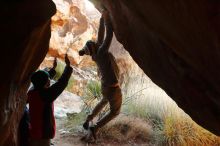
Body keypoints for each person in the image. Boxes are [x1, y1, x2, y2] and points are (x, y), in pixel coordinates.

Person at [79, 10, 122, 140]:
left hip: (105, 87)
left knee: (104, 101)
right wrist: (108, 20)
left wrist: (102, 18)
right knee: (115, 111)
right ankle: (95, 127)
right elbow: (107, 36)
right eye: (93, 42)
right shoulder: (102, 52)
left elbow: (100, 36)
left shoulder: (96, 54)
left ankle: (89, 118)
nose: (95, 42)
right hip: (112, 88)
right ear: (93, 46)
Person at [28, 54, 73, 146]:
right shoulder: (46, 95)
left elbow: (41, 79)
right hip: (43, 133)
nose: (50, 80)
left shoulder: (32, 91)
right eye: (48, 79)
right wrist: (68, 67)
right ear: (45, 83)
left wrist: (53, 69)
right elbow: (61, 84)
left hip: (33, 129)